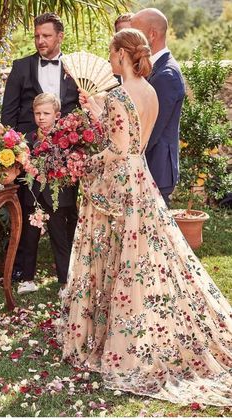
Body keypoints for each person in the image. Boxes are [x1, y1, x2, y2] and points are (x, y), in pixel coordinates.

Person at [58, 28, 232, 406]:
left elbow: (117, 149)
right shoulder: (149, 90)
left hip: (120, 182)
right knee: (144, 257)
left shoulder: (120, 94)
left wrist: (85, 163)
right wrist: (97, 108)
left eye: (111, 51)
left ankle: (123, 337)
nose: (108, 56)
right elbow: (134, 137)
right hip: (142, 179)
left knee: (119, 255)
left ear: (122, 54)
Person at [1, 12, 79, 282]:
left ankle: (67, 273)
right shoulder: (21, 67)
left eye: (46, 35)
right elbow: (8, 115)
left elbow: (81, 112)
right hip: (28, 155)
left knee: (64, 212)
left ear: (60, 36)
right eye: (36, 36)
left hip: (65, 158)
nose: (40, 40)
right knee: (25, 210)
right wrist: (13, 155)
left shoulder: (73, 69)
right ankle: (23, 270)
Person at [17, 93, 78, 294]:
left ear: (57, 115)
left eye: (46, 113)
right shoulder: (29, 137)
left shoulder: (63, 139)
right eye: (37, 113)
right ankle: (28, 278)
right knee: (29, 237)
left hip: (56, 197)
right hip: (34, 194)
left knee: (59, 238)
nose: (41, 117)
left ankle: (64, 281)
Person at [131, 8, 185, 207]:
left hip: (156, 168)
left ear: (151, 35)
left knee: (156, 236)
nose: (132, 39)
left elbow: (153, 128)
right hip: (148, 167)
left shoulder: (166, 75)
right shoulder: (155, 69)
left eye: (136, 33)